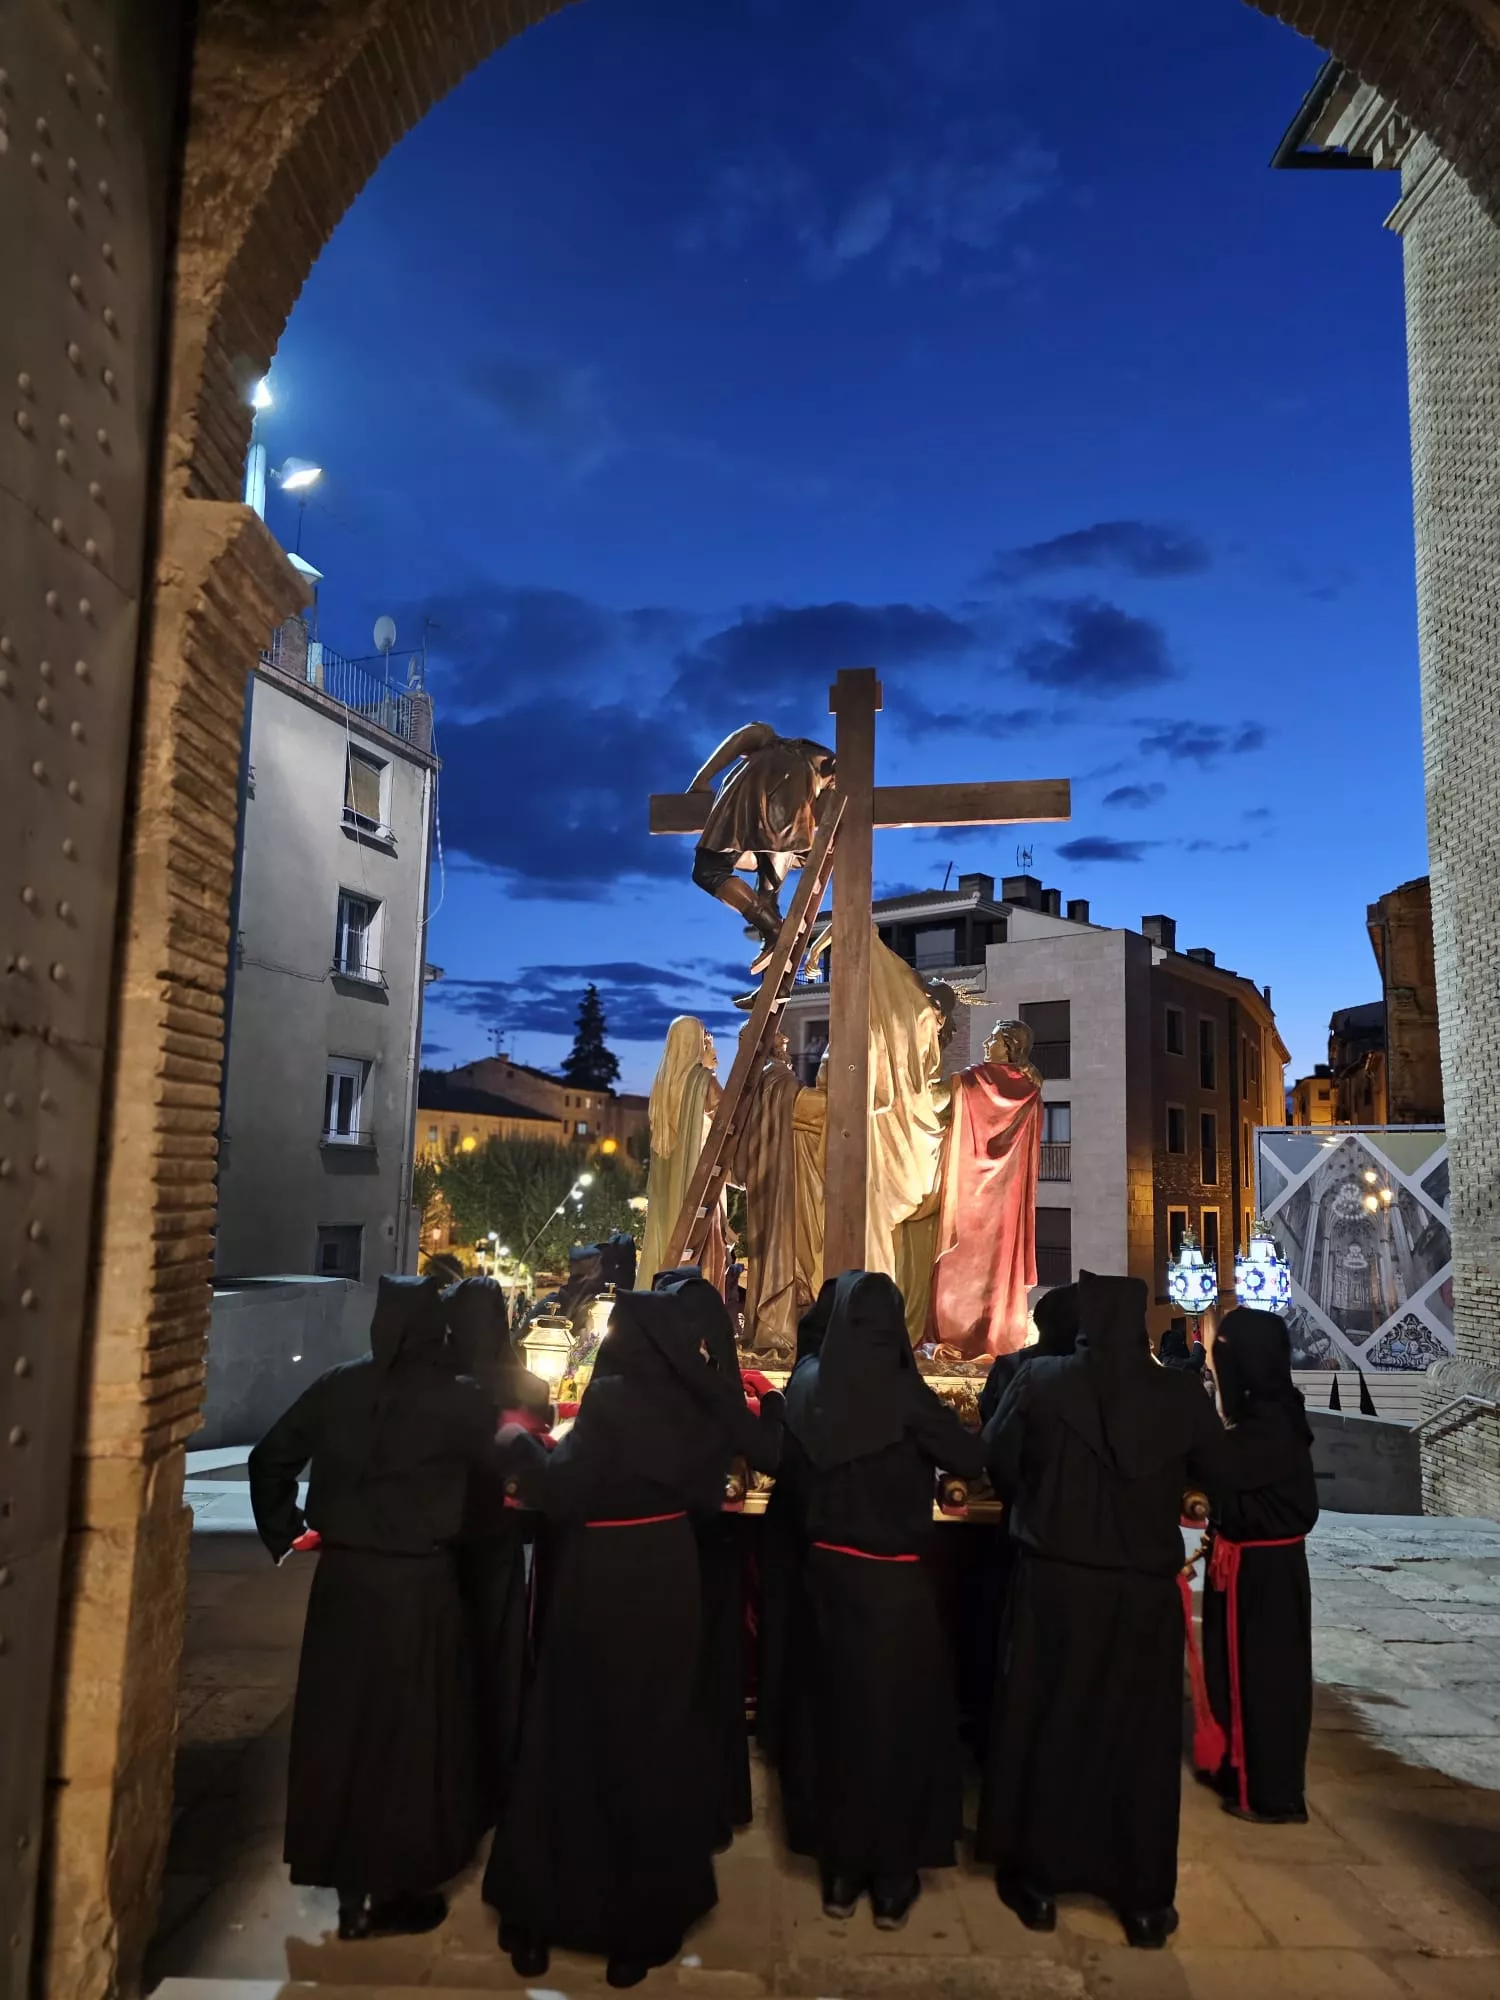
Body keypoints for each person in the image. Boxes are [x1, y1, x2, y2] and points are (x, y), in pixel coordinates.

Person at [484, 1290, 778, 1989]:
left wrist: (517, 1442)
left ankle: (540, 1916)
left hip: (600, 1578)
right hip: (668, 1577)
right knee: (652, 1740)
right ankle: (637, 1932)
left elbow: (562, 1482)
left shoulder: (613, 1397)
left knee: (568, 1735)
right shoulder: (696, 1400)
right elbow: (748, 1462)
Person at [977, 1271, 1232, 1950]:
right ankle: (1143, 1897)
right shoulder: (1177, 1394)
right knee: (1137, 1740)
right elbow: (1220, 1473)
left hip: (1055, 1585)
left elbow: (997, 1463)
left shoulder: (1042, 1383)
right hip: (1140, 1592)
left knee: (1048, 1725)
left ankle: (1037, 1884)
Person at [247, 1274, 499, 1940]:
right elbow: (493, 1486)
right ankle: (397, 1888)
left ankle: (349, 1891)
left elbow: (269, 1457)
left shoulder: (337, 1385)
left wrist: (287, 1529)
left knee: (342, 1734)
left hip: (345, 1585)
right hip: (419, 1588)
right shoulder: (462, 1398)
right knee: (410, 1739)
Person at [782, 1270, 985, 1930]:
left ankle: (840, 1870)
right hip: (893, 1583)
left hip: (824, 1577)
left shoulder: (810, 1383)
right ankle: (892, 1874)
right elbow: (965, 1452)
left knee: (834, 1719)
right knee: (897, 1726)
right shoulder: (903, 1391)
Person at [657, 1270, 785, 1848]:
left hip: (656, 1555)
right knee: (711, 1677)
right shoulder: (718, 1390)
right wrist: (775, 1404)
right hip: (709, 1551)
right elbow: (769, 1453)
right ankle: (710, 1804)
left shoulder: (648, 1384)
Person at [1199, 1306, 1319, 1824]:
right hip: (1248, 1566)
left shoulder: (1268, 1424)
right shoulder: (1267, 1414)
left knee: (1263, 1681)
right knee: (1237, 1673)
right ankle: (1234, 1765)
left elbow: (1217, 1469)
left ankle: (1269, 1792)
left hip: (1262, 1572)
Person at [443, 1276, 549, 1826]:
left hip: (439, 1542)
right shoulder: (524, 1387)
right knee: (499, 1654)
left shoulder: (437, 1382)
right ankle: (499, 1773)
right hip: (498, 1538)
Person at [637, 1015, 724, 1290]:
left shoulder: (660, 1085)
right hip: (697, 1183)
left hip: (665, 1185)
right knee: (711, 1253)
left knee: (664, 1242)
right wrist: (709, 1067)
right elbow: (727, 1112)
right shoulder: (701, 1080)